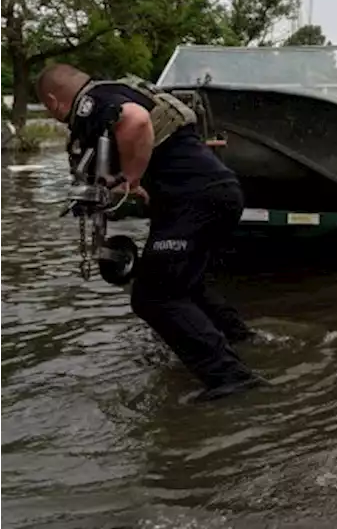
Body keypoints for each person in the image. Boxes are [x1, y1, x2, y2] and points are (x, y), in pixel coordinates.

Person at [36, 64, 260, 402]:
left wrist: (132, 179)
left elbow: (137, 121)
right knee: (186, 286)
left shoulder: (93, 102)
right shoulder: (117, 89)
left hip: (193, 200)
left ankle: (231, 377)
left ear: (53, 102)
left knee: (153, 297)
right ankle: (243, 341)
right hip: (216, 193)